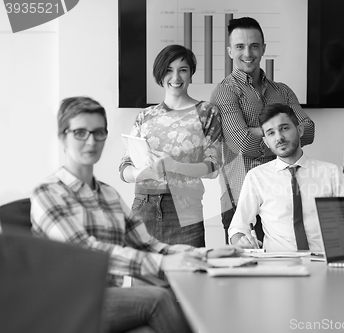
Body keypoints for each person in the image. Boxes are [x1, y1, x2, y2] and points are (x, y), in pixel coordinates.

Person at [31, 96, 241, 332]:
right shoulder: (48, 192)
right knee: (158, 299)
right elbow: (88, 253)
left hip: (106, 299)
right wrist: (165, 262)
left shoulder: (108, 195)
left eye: (98, 132)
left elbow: (148, 246)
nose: (91, 141)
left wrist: (206, 254)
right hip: (68, 303)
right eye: (80, 132)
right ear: (62, 137)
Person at [210, 17, 315, 243]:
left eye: (254, 45)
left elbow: (309, 130)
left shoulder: (283, 91)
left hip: (281, 199)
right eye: (240, 46)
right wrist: (285, 134)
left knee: (285, 270)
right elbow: (242, 144)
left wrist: (256, 131)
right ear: (230, 51)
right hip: (238, 201)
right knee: (244, 272)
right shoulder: (224, 92)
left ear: (263, 48)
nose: (247, 52)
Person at [229, 103, 344, 251]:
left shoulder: (331, 173)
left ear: (300, 130)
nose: (279, 137)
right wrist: (241, 241)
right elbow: (238, 227)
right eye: (271, 133)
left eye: (284, 128)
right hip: (278, 264)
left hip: (323, 262)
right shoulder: (256, 177)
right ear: (266, 142)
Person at [119, 44, 222, 247]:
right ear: (160, 74)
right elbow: (124, 169)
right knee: (145, 277)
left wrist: (174, 166)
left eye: (182, 70)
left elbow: (213, 167)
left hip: (185, 209)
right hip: (143, 206)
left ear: (191, 74)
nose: (175, 77)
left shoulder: (207, 112)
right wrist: (144, 172)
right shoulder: (145, 116)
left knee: (188, 275)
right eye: (168, 70)